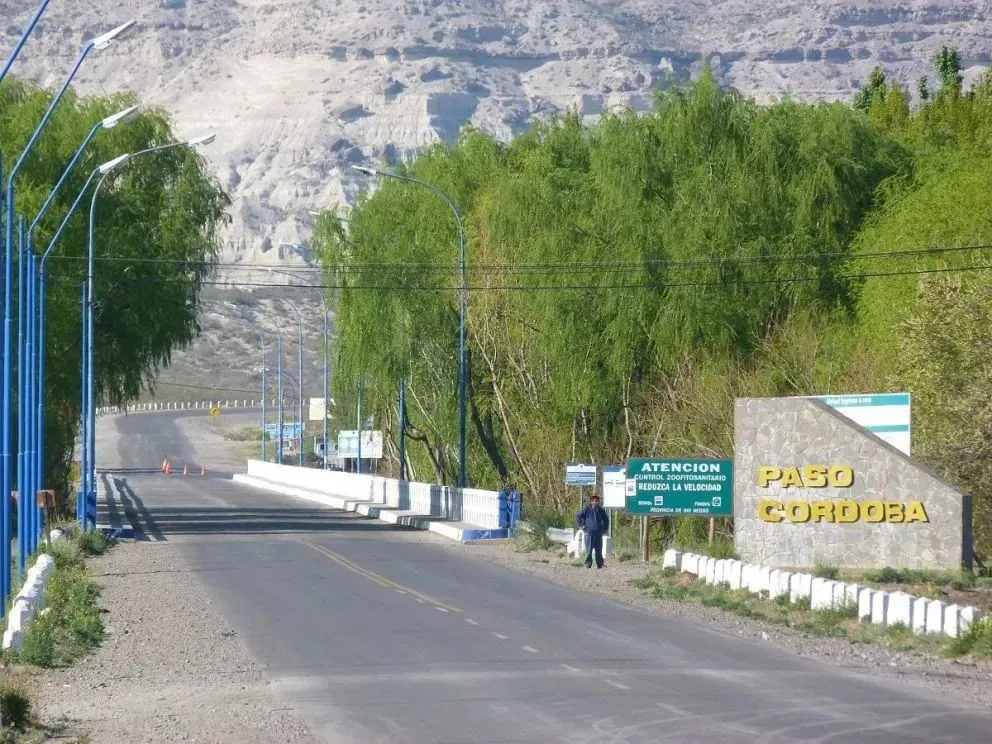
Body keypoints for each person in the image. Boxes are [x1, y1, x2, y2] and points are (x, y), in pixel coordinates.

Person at [576, 494, 609, 569]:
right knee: (589, 550)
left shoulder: (601, 510)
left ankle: (600, 564)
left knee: (598, 550)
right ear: (591, 502)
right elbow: (578, 516)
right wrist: (582, 525)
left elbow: (606, 519)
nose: (597, 502)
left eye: (598, 501)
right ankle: (588, 563)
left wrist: (605, 528)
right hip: (588, 533)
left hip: (598, 533)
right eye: (595, 501)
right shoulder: (586, 509)